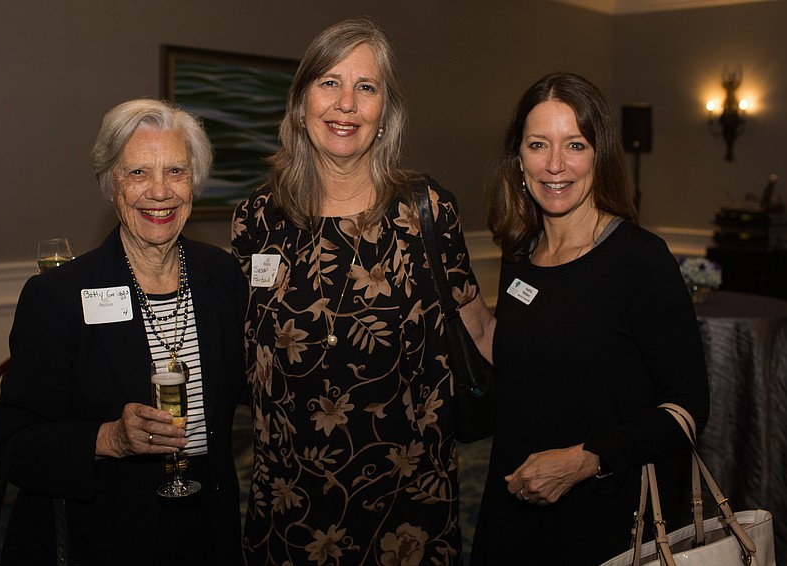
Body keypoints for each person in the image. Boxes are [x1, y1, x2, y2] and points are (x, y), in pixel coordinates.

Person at [230, 17, 495, 565]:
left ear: (385, 112)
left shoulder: (426, 212)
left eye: (366, 87)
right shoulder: (258, 217)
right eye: (329, 82)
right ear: (301, 104)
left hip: (407, 502)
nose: (346, 104)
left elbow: (482, 334)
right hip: (289, 499)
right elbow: (238, 347)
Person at [0, 98, 246, 564]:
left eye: (175, 171)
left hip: (208, 527)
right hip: (105, 535)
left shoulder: (222, 277)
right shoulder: (58, 295)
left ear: (194, 181)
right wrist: (110, 439)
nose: (159, 191)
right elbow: (14, 444)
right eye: (138, 173)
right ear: (112, 184)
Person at [469, 72, 710, 564]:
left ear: (600, 156)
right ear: (519, 160)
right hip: (515, 509)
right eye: (538, 145)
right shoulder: (519, 254)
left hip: (608, 518)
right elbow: (519, 356)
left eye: (575, 145)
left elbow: (688, 408)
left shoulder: (640, 260)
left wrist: (587, 459)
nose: (555, 165)